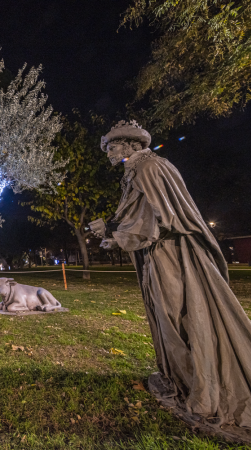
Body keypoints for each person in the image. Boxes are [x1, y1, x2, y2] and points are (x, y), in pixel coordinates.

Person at [90, 120, 251, 433]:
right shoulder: (136, 171)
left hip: (173, 257)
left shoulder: (150, 168)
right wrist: (110, 227)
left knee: (178, 317)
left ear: (128, 145)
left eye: (111, 147)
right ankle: (183, 378)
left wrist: (119, 238)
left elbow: (162, 219)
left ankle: (201, 387)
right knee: (167, 318)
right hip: (158, 255)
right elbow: (139, 216)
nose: (108, 153)